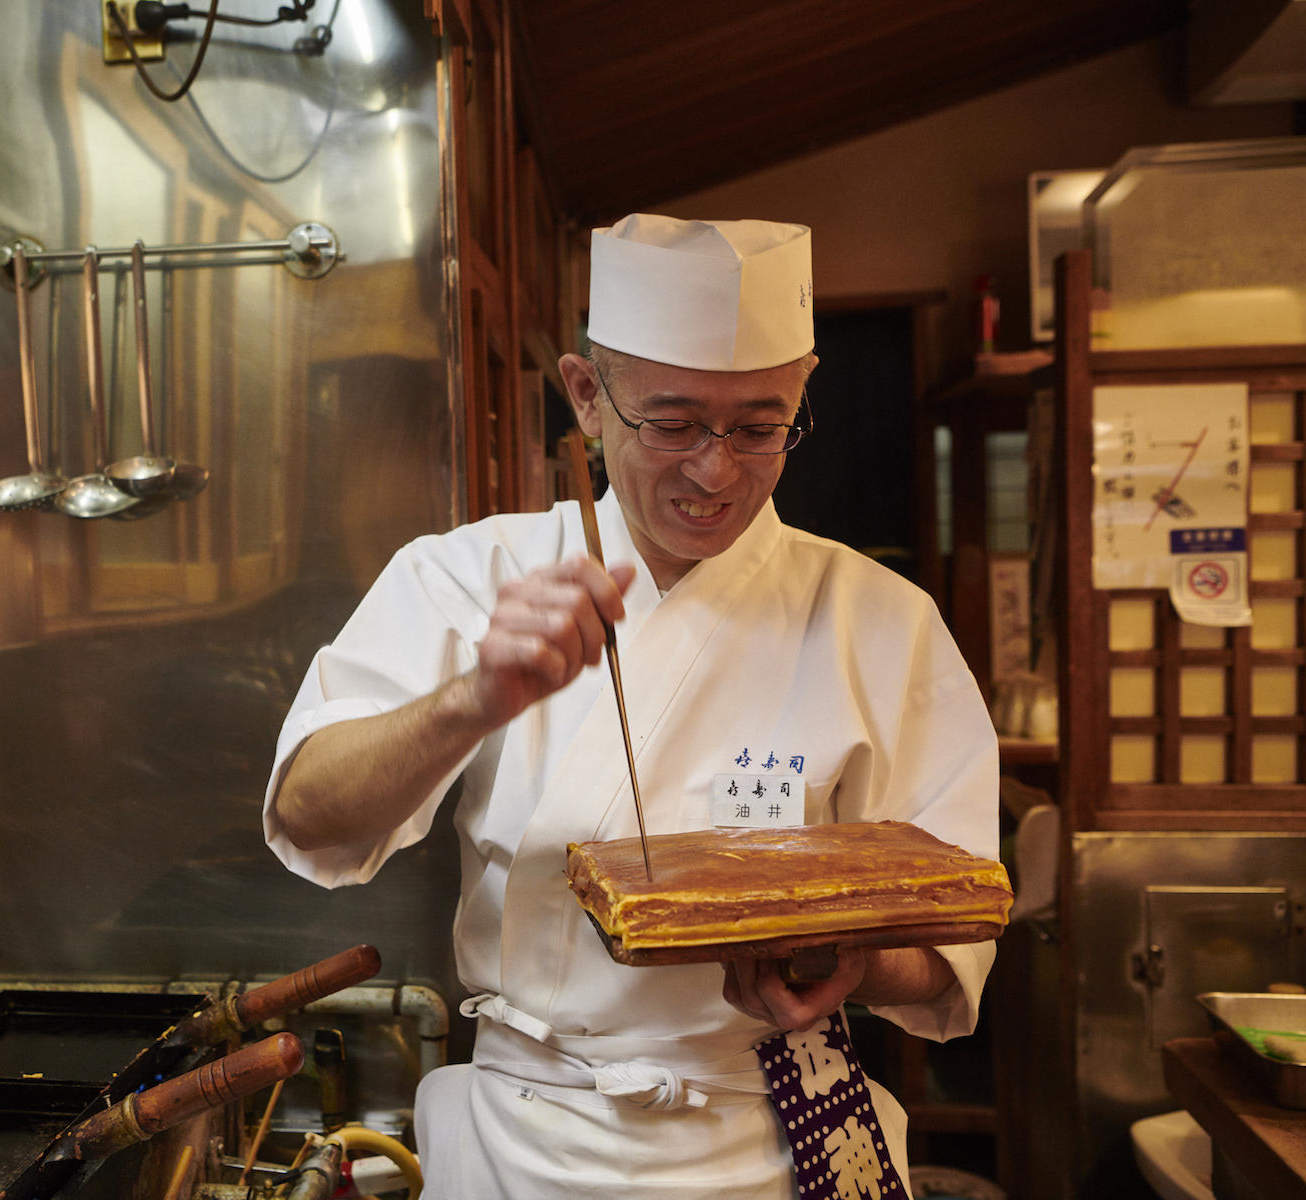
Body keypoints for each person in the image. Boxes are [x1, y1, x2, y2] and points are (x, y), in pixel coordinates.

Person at [263, 214, 999, 1199]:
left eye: (758, 425)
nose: (716, 470)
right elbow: (310, 810)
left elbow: (954, 937)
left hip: (770, 1128)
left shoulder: (883, 621)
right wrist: (472, 700)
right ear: (588, 398)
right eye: (674, 422)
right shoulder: (467, 576)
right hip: (525, 1131)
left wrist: (853, 960)